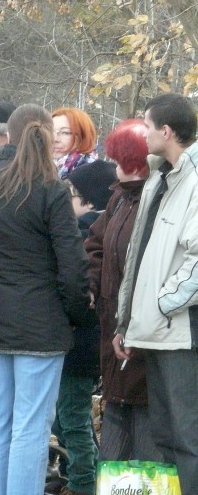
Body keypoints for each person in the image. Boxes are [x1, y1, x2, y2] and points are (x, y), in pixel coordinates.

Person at [0, 103, 91, 495]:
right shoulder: (51, 190)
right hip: (41, 324)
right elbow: (73, 267)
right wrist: (76, 313)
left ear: (8, 135)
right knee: (31, 429)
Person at [113, 94, 198, 495]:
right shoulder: (159, 179)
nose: (142, 133)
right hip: (157, 328)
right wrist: (129, 319)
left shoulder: (193, 180)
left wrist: (163, 304)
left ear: (167, 130)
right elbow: (139, 257)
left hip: (182, 329)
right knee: (166, 431)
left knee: (187, 433)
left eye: (147, 126)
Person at [85, 119, 161, 463]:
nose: (114, 166)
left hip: (143, 334)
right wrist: (91, 285)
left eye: (120, 159)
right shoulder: (118, 199)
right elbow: (96, 246)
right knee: (117, 417)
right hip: (112, 329)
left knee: (146, 426)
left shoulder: (156, 201)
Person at [42, 159, 114, 495]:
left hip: (78, 342)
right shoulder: (100, 227)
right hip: (87, 342)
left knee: (71, 415)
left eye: (71, 193)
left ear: (87, 200)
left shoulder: (85, 231)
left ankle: (85, 485)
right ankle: (87, 476)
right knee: (69, 414)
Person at [51, 107, 97, 179]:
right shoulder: (34, 168)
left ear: (83, 136)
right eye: (50, 132)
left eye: (65, 132)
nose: (54, 139)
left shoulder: (94, 174)